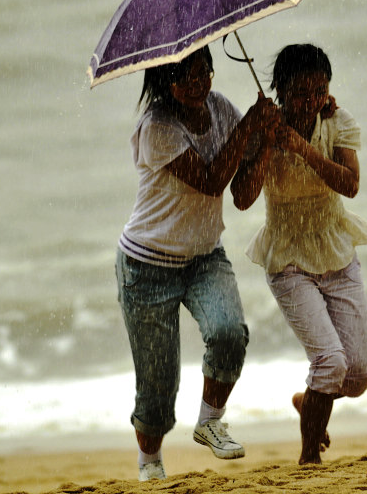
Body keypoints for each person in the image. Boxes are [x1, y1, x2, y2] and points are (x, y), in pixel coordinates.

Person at [114, 45, 278, 481]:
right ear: (163, 83)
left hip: (205, 256)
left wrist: (264, 137)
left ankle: (210, 422)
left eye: (202, 70)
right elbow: (209, 181)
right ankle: (150, 461)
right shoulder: (157, 129)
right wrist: (249, 127)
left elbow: (241, 195)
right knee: (157, 384)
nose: (196, 83)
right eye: (183, 76)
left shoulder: (221, 107)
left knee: (229, 333)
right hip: (146, 265)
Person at [232, 43, 367, 465]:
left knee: (358, 374)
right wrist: (263, 144)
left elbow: (350, 185)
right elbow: (241, 198)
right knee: (330, 363)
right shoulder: (262, 128)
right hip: (288, 258)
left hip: (336, 248)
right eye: (299, 92)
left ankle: (309, 399)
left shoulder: (337, 123)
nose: (310, 100)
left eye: (319, 90)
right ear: (279, 89)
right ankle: (309, 456)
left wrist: (302, 147)